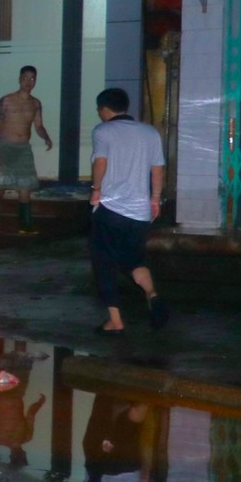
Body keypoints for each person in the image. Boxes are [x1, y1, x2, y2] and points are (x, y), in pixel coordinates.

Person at [89, 87, 168, 333]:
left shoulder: (103, 130)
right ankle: (152, 294)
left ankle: (116, 320)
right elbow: (158, 169)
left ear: (104, 109)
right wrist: (155, 200)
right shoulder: (149, 132)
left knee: (104, 263)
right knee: (133, 259)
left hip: (111, 208)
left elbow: (101, 162)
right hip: (140, 212)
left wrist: (96, 189)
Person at [0, 65, 54, 234]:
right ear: (19, 79)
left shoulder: (35, 103)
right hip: (6, 147)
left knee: (25, 187)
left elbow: (38, 125)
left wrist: (46, 137)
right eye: (25, 78)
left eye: (32, 79)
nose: (28, 82)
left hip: (23, 148)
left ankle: (25, 225)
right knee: (0, 187)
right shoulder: (7, 100)